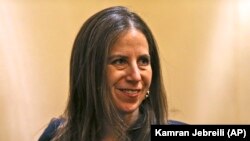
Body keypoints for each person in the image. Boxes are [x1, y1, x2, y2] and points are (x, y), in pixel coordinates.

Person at [38, 6, 186, 141]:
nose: (135, 76)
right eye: (120, 61)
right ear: (90, 72)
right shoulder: (56, 135)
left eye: (143, 61)